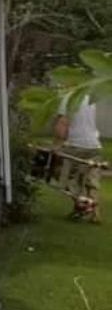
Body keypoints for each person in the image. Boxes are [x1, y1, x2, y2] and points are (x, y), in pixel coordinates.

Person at [54, 94, 103, 222]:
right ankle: (95, 215)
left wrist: (57, 146)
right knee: (92, 182)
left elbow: (62, 124)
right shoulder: (89, 98)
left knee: (69, 180)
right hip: (94, 145)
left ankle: (83, 209)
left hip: (75, 145)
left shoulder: (67, 98)